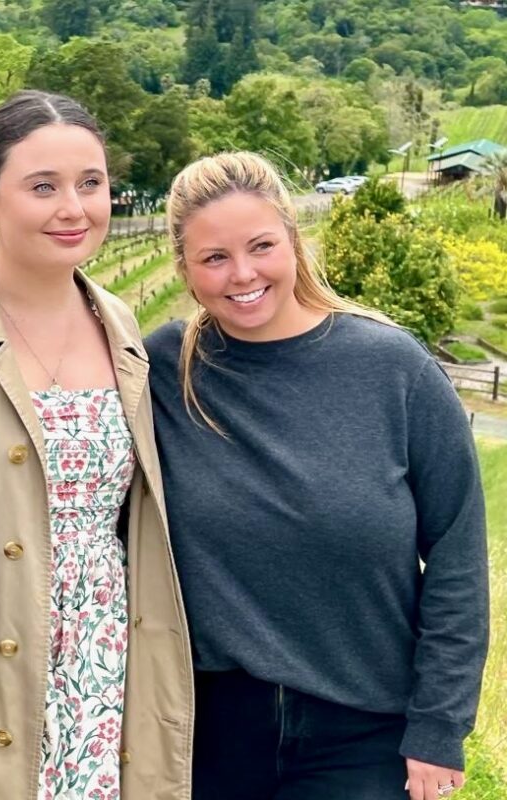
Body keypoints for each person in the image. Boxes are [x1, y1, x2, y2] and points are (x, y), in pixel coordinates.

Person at [0, 90, 193, 800]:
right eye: (42, 186)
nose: (73, 208)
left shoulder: (120, 325)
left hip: (105, 668)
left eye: (91, 184)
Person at [144, 151, 489, 800]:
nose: (242, 274)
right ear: (186, 273)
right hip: (205, 735)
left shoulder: (393, 369)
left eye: (261, 246)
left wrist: (439, 727)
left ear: (295, 243)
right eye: (214, 258)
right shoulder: (162, 371)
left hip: (363, 738)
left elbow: (458, 553)